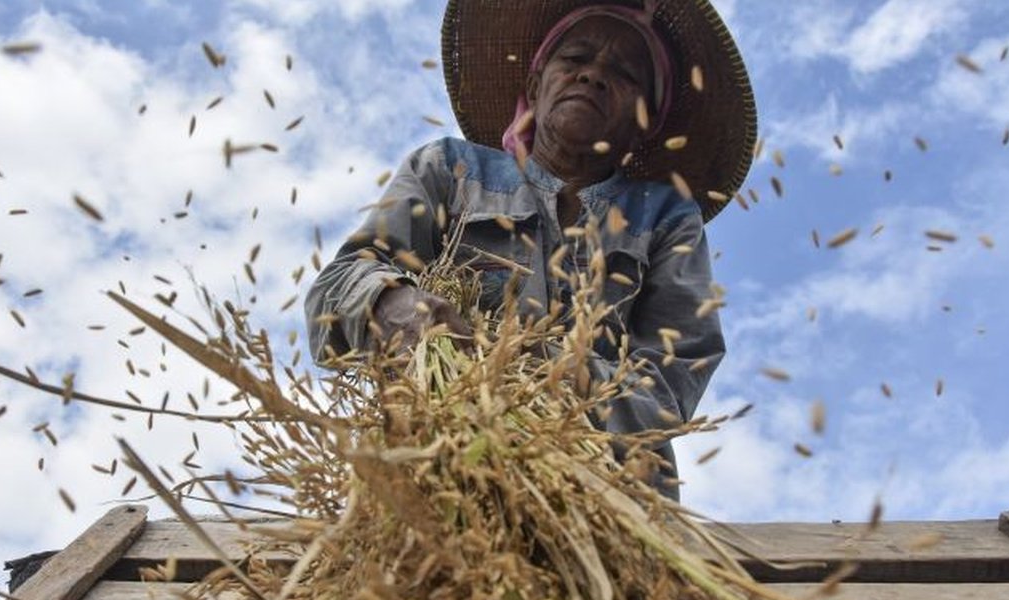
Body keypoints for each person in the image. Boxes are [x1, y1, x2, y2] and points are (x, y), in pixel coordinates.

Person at [305, 0, 755, 500]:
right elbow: (337, 286)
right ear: (536, 85)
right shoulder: (450, 170)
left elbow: (667, 390)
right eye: (574, 59)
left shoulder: (665, 217)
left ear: (645, 121)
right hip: (435, 478)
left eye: (624, 73)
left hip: (607, 500)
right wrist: (394, 306)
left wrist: (524, 364)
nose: (592, 76)